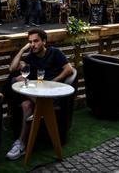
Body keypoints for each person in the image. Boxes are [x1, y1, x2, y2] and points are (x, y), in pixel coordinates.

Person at [6, 28, 73, 160]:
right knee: (24, 102)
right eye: (30, 42)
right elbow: (12, 68)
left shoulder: (54, 52)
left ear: (44, 41)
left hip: (52, 95)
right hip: (37, 94)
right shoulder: (31, 56)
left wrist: (52, 82)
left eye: (36, 41)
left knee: (17, 85)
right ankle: (21, 144)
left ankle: (42, 110)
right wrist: (22, 50)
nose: (33, 45)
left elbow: (69, 69)